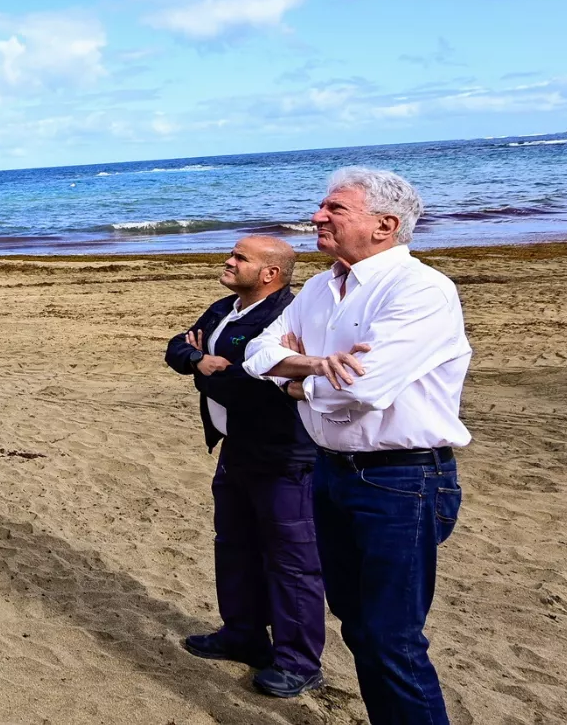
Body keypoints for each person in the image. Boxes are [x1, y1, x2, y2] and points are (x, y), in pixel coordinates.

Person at [243, 168, 471, 725]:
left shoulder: (421, 289)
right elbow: (256, 352)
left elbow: (365, 388)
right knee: (356, 622)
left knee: (392, 635)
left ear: (385, 226)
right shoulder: (321, 288)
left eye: (334, 209)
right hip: (331, 470)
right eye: (322, 207)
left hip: (403, 480)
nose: (317, 217)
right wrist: (320, 365)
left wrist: (295, 379)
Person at [163, 235, 324, 698]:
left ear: (270, 273)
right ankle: (244, 635)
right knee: (233, 545)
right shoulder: (223, 309)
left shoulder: (283, 316)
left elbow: (254, 386)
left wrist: (215, 371)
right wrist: (197, 358)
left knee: (291, 561)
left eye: (240, 258)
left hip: (282, 455)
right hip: (235, 449)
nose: (228, 261)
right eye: (232, 254)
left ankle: (298, 662)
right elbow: (176, 347)